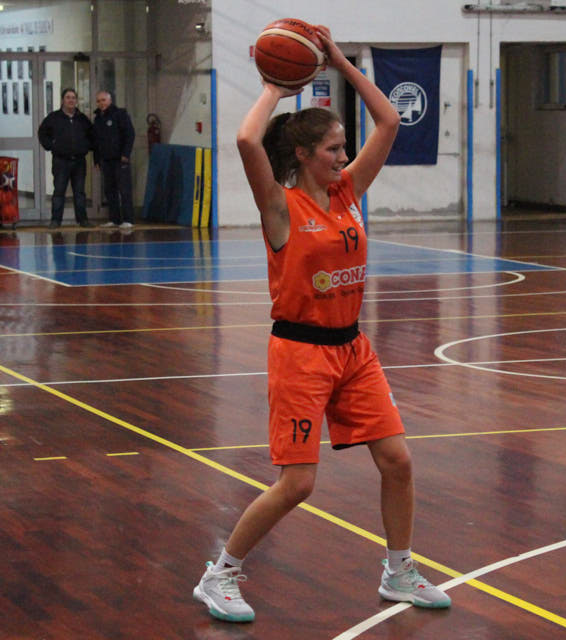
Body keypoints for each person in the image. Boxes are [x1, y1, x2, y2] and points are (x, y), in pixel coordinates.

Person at [192, 27, 451, 623]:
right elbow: (246, 138)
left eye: (343, 147)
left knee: (398, 460)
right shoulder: (281, 206)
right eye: (333, 149)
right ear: (304, 155)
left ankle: (399, 570)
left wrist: (338, 61)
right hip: (301, 353)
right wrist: (274, 87)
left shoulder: (348, 192)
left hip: (353, 349)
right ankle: (219, 574)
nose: (342, 156)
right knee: (298, 484)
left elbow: (389, 121)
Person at [37, 88, 93, 228]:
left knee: (79, 192)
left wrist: (85, 147)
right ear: (63, 100)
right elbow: (42, 133)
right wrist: (51, 146)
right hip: (61, 161)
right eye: (68, 97)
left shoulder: (82, 119)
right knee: (59, 191)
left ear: (76, 100)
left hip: (79, 161)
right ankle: (56, 220)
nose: (71, 100)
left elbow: (92, 135)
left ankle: (83, 220)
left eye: (73, 97)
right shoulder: (53, 117)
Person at [92, 90, 135, 228]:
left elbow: (130, 134)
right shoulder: (98, 119)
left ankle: (128, 219)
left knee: (124, 189)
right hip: (106, 160)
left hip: (120, 159)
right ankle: (114, 219)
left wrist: (125, 154)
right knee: (110, 190)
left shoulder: (120, 114)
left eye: (103, 100)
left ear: (110, 100)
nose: (101, 103)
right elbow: (96, 141)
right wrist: (96, 159)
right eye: (98, 101)